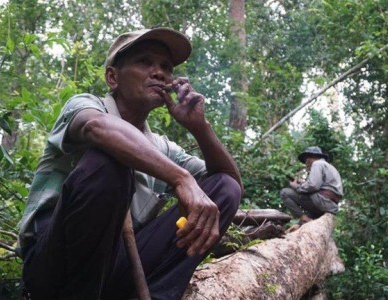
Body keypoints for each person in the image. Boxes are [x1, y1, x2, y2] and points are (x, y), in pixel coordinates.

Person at [17, 27, 243, 300]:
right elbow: (95, 127)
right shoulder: (87, 106)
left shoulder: (162, 148)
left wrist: (200, 127)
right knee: (106, 163)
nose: (159, 72)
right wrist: (182, 179)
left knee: (224, 189)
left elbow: (230, 184)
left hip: (115, 267)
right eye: (144, 62)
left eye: (166, 67)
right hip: (53, 266)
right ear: (113, 77)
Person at [280, 146, 342, 224]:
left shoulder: (317, 164)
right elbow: (321, 185)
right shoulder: (330, 167)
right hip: (331, 205)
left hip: (321, 201)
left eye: (305, 160)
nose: (306, 163)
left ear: (309, 158)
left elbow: (314, 186)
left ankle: (303, 218)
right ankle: (304, 221)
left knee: (285, 192)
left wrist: (296, 187)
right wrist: (303, 184)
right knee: (300, 224)